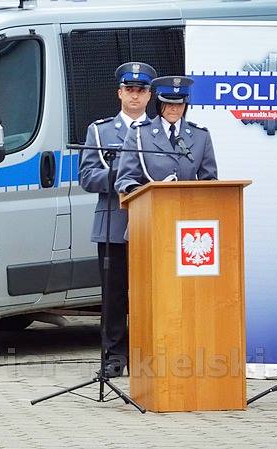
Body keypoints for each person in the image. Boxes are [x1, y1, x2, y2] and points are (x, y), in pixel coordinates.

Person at [79, 62, 156, 378]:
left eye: (141, 90)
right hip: (113, 222)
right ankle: (113, 355)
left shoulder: (158, 132)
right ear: (119, 93)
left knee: (148, 293)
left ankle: (146, 352)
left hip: (151, 223)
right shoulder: (100, 131)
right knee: (114, 296)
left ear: (149, 95)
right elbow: (87, 176)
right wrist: (121, 177)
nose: (135, 96)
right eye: (129, 90)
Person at [115, 75, 218, 194]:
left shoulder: (201, 135)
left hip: (190, 202)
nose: (174, 108)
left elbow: (209, 180)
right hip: (151, 202)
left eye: (179, 104)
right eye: (169, 103)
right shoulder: (139, 133)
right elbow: (126, 179)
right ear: (159, 103)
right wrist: (140, 192)